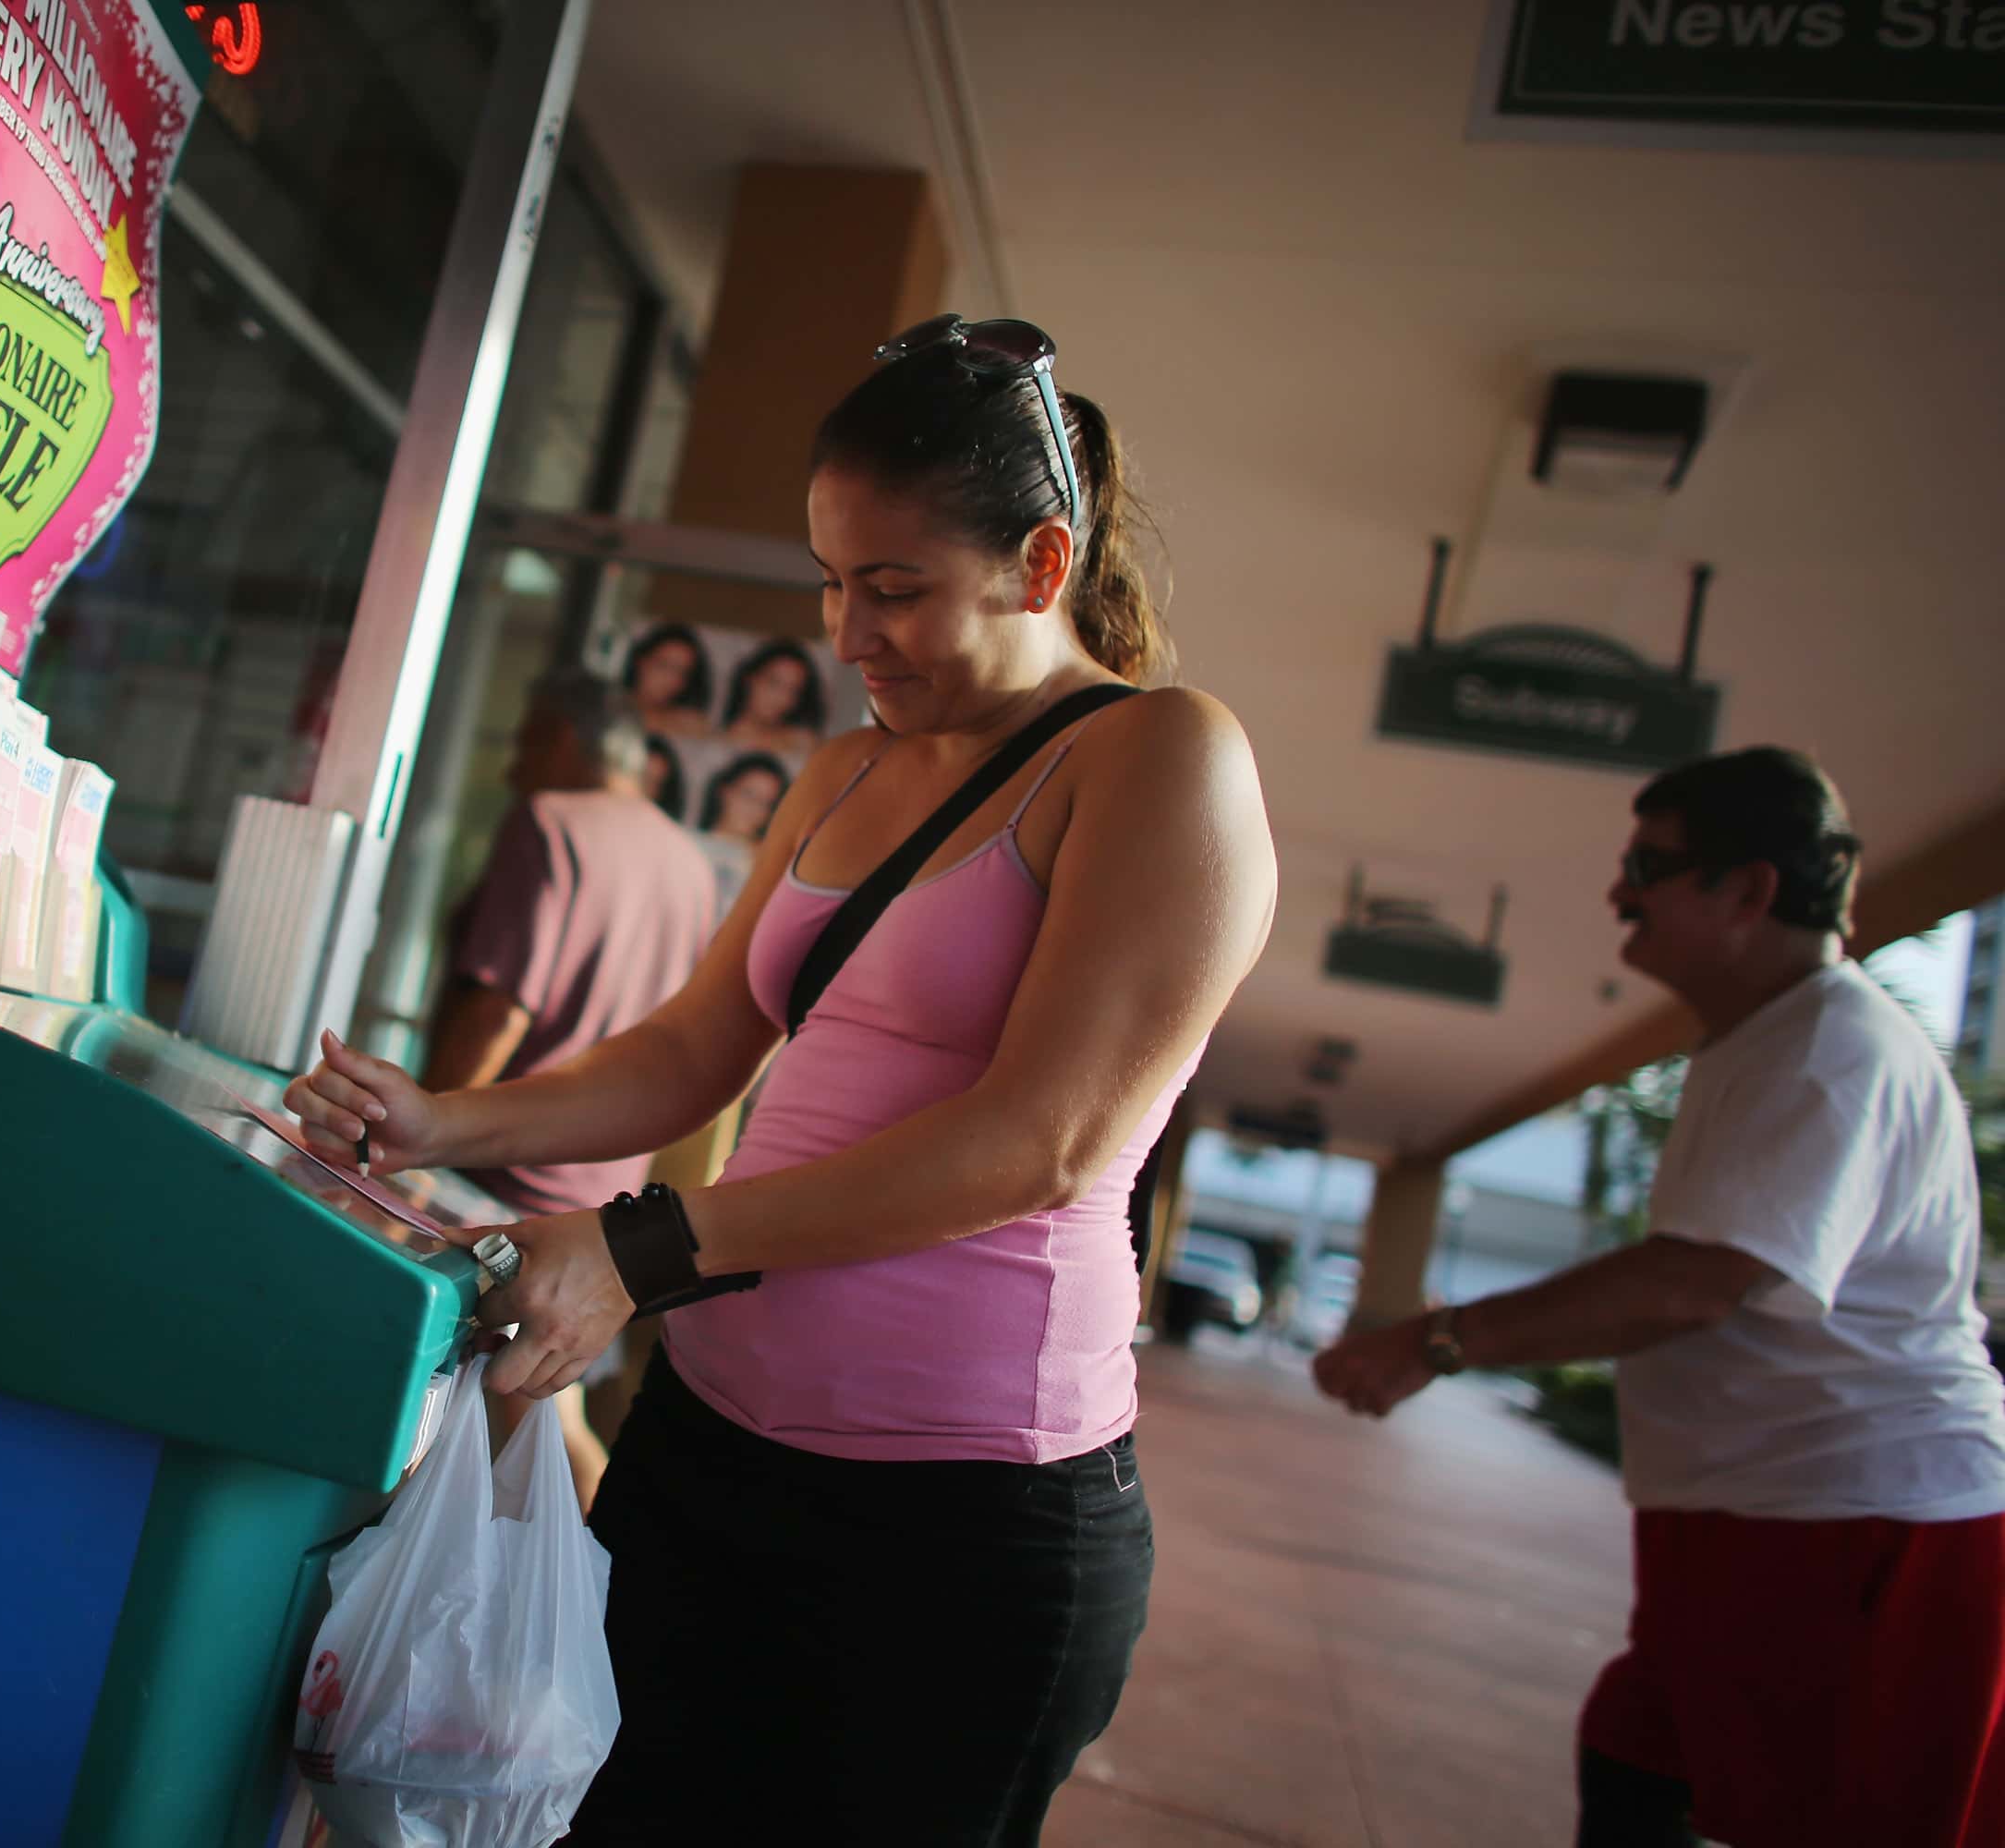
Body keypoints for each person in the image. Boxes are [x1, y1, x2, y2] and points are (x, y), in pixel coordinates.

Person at [289, 314, 1277, 1844]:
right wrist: (446, 1119)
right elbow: (695, 1047)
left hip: (957, 1531)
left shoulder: (1156, 762)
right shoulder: (846, 771)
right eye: (829, 583)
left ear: (1039, 564)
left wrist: (636, 1251)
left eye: (894, 589)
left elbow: (1047, 1142)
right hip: (708, 1456)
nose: (848, 634)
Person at [1313, 748, 2005, 1848]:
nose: (1618, 889)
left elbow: (1696, 1281)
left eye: (1649, 862)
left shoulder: (1832, 1044)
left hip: (1860, 1522)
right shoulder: (1765, 1039)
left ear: (1750, 889)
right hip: (1752, 1514)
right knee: (1638, 1756)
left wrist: (1436, 1338)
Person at [423, 668, 720, 1505]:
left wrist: (423, 1134)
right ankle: (580, 1593)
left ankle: (587, 1603)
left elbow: (501, 1010)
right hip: (603, 1201)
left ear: (561, 737)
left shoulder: (550, 825)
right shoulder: (688, 865)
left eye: (523, 742)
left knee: (524, 1428)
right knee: (546, 1422)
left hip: (499, 1185)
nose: (514, 767)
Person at [690, 750, 791, 917]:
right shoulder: (687, 843)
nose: (754, 808)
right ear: (725, 791)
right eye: (748, 794)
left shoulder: (768, 864)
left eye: (765, 803)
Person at [718, 636, 828, 757]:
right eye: (773, 683)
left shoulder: (803, 743)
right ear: (749, 679)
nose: (782, 699)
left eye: (793, 691)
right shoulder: (713, 736)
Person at [619, 623, 715, 740]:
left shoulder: (691, 724)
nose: (671, 680)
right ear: (640, 662)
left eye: (682, 673)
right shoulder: (610, 706)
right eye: (664, 666)